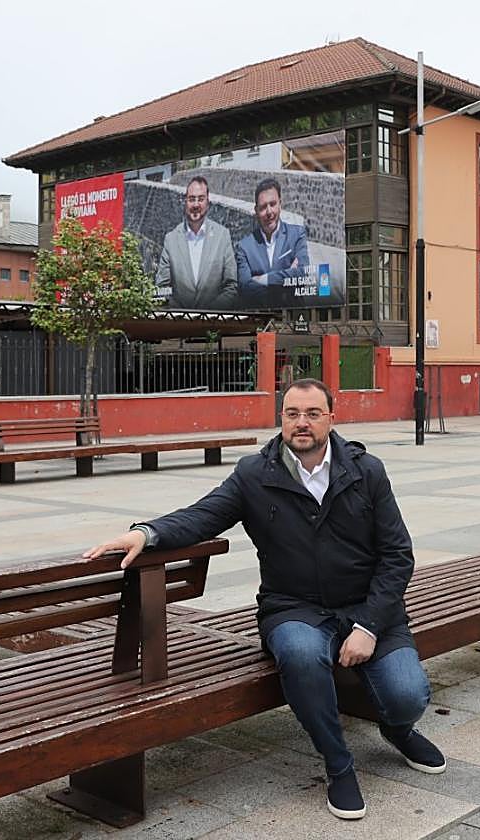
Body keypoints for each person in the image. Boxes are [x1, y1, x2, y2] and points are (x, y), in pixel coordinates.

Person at [83, 378, 445, 820]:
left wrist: (369, 626)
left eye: (313, 413)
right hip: (294, 608)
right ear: (282, 419)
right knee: (300, 655)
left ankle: (397, 728)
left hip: (366, 606)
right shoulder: (256, 473)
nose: (302, 423)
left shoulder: (366, 471)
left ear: (333, 417)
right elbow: (203, 515)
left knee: (407, 695)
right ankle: (339, 765)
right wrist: (146, 532)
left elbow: (397, 555)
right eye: (292, 413)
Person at [154, 176, 238, 310]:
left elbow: (231, 286)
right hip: (180, 325)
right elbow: (162, 288)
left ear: (208, 202)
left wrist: (209, 314)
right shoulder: (171, 240)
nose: (196, 205)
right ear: (185, 202)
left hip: (215, 323)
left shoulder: (222, 236)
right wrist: (182, 315)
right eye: (192, 199)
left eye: (201, 199)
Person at [235, 177, 309, 308]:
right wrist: (286, 279)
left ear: (280, 204)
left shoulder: (297, 235)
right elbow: (245, 288)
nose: (269, 212)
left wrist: (264, 279)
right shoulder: (244, 247)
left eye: (273, 204)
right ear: (256, 210)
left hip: (293, 319)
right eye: (263, 207)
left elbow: (303, 274)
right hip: (259, 320)